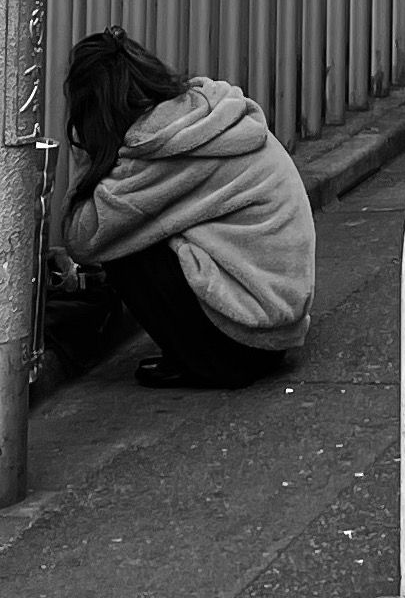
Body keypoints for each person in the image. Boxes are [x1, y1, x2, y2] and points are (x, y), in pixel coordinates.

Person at [60, 26, 316, 389]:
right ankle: (199, 353)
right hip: (278, 327)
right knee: (142, 225)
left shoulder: (157, 146)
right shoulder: (201, 110)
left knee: (122, 245)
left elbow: (82, 235)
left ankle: (197, 361)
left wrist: (92, 155)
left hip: (243, 344)